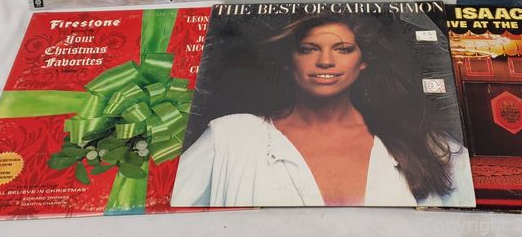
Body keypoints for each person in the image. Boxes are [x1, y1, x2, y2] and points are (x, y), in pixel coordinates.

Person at [169, 15, 473, 207]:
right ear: (289, 61)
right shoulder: (230, 138)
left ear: (363, 61)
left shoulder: (429, 145)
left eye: (343, 49)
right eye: (309, 49)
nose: (325, 61)